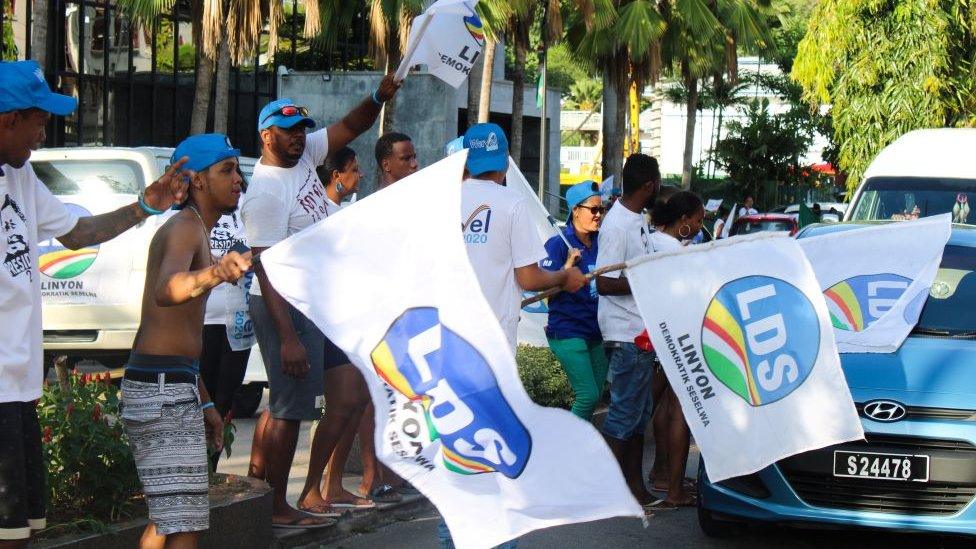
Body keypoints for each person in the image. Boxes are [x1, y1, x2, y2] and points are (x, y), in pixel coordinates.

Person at [0, 60, 191, 548]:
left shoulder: (20, 178)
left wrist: (145, 206)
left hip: (18, 385)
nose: (42, 137)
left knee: (21, 529)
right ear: (8, 119)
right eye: (39, 122)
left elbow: (79, 232)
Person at [242, 75, 401, 528]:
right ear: (266, 135)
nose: (297, 137)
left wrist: (378, 97)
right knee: (290, 410)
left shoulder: (305, 156)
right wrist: (288, 338)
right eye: (287, 131)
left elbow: (352, 124)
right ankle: (274, 506)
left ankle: (312, 491)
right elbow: (266, 269)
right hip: (284, 307)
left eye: (301, 129)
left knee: (347, 394)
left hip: (318, 305)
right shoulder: (267, 192)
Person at [439, 123, 588, 549]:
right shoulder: (511, 203)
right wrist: (565, 277)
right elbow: (528, 277)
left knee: (457, 467)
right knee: (498, 465)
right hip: (490, 357)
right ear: (504, 163)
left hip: (446, 350)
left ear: (465, 160)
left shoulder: (441, 202)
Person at [122, 134, 252, 548]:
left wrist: (206, 400)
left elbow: (172, 333)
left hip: (171, 381)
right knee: (182, 525)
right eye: (226, 170)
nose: (238, 180)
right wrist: (215, 274)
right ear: (196, 180)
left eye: (237, 169)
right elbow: (166, 290)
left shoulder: (194, 227)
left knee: (174, 520)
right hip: (161, 386)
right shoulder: (183, 227)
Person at [594, 152, 662, 505]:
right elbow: (605, 282)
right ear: (650, 184)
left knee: (637, 418)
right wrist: (647, 282)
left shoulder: (637, 219)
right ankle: (600, 491)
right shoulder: (617, 223)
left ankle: (634, 488)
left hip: (641, 333)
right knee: (623, 417)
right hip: (626, 334)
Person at [644, 191, 704, 509]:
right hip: (677, 333)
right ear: (683, 220)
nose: (699, 226)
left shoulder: (652, 240)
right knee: (679, 408)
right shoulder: (675, 252)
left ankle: (662, 472)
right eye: (697, 220)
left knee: (659, 406)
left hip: (652, 335)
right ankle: (674, 490)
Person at [540, 180, 608, 420]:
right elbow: (544, 292)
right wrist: (568, 266)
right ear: (576, 210)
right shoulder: (559, 244)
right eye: (594, 209)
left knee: (597, 394)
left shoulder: (603, 241)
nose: (599, 215)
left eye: (602, 209)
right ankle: (571, 447)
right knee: (587, 395)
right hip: (568, 330)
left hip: (595, 331)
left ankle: (585, 449)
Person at [199, 200, 252, 471]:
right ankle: (199, 472)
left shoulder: (245, 206)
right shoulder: (189, 215)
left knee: (224, 400)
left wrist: (245, 256)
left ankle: (211, 469)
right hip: (203, 318)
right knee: (201, 399)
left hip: (238, 321)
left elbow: (256, 247)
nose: (233, 180)